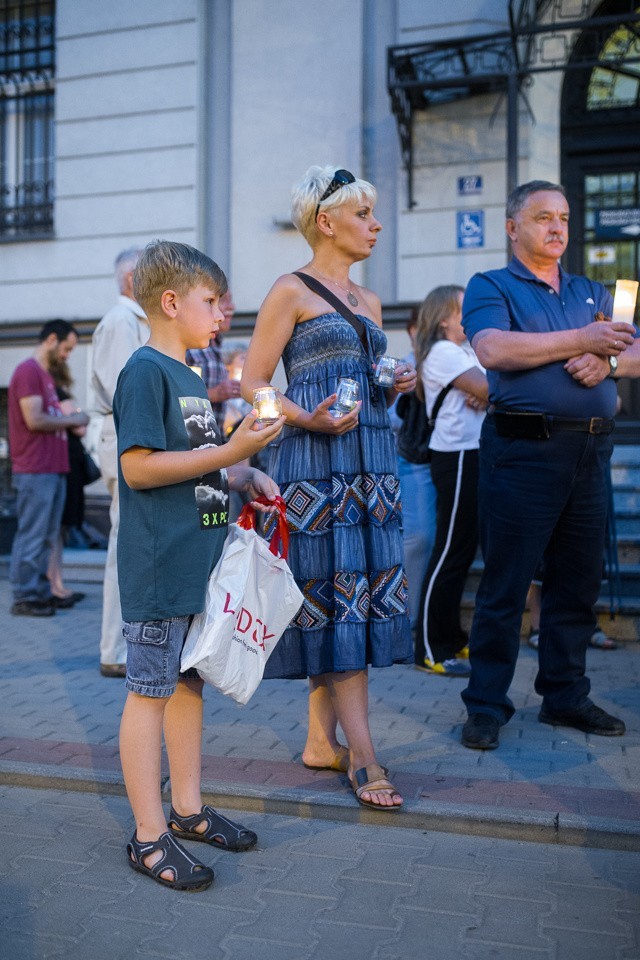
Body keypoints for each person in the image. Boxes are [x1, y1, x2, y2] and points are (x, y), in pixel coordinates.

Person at [241, 165, 416, 810]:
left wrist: (392, 380)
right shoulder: (291, 289)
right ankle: (364, 754)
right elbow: (251, 383)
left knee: (350, 598)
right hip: (314, 464)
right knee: (339, 595)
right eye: (363, 214)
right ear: (326, 221)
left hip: (369, 463)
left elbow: (367, 376)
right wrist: (303, 415)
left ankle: (321, 742)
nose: (375, 225)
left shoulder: (369, 302)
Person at [114, 239, 284, 891]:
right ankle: (148, 835)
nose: (222, 314)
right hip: (161, 564)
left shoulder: (188, 375)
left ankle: (186, 810)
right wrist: (228, 453)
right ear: (171, 301)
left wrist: (244, 472)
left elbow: (198, 458)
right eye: (212, 302)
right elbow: (138, 468)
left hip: (198, 559)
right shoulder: (146, 371)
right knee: (149, 692)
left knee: (187, 686)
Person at [459, 179, 637, 751]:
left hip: (590, 449)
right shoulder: (491, 285)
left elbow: (632, 345)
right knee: (507, 584)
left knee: (577, 582)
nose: (557, 227)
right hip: (523, 450)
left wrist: (607, 365)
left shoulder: (591, 288)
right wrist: (583, 340)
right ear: (514, 228)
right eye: (543, 217)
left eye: (563, 217)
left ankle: (564, 696)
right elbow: (493, 350)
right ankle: (486, 704)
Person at [413, 285, 488, 677]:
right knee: (449, 551)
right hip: (456, 455)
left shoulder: (469, 351)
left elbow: (492, 387)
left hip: (473, 454)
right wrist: (485, 389)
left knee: (462, 552)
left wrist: (488, 389)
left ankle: (452, 636)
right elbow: (491, 388)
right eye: (464, 309)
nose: (472, 315)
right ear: (444, 317)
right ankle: (428, 646)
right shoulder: (444, 352)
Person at [92, 248, 148, 678]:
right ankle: (115, 649)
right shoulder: (121, 322)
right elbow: (125, 391)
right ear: (133, 278)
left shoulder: (132, 321)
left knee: (124, 544)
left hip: (127, 441)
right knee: (121, 545)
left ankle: (120, 646)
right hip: (122, 443)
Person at [8, 320, 89, 616]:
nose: (67, 355)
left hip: (52, 468)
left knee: (46, 535)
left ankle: (41, 591)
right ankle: (24, 596)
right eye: (66, 348)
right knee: (33, 534)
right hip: (35, 468)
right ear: (52, 339)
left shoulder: (45, 376)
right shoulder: (28, 371)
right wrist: (75, 420)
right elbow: (35, 419)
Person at [393, 313, 438, 635]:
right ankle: (408, 619)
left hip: (452, 458)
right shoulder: (406, 368)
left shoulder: (467, 357)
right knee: (420, 537)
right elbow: (393, 418)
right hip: (417, 458)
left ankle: (427, 619)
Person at [46, 355, 89, 604]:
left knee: (59, 530)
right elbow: (80, 426)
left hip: (67, 465)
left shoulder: (53, 395)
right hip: (67, 466)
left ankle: (57, 583)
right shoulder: (59, 394)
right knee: (57, 529)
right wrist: (79, 415)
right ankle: (55, 584)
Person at [186, 289, 241, 426]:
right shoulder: (190, 344)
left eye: (231, 299)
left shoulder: (217, 345)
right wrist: (215, 393)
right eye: (223, 300)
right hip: (193, 440)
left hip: (215, 439)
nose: (231, 306)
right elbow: (176, 397)